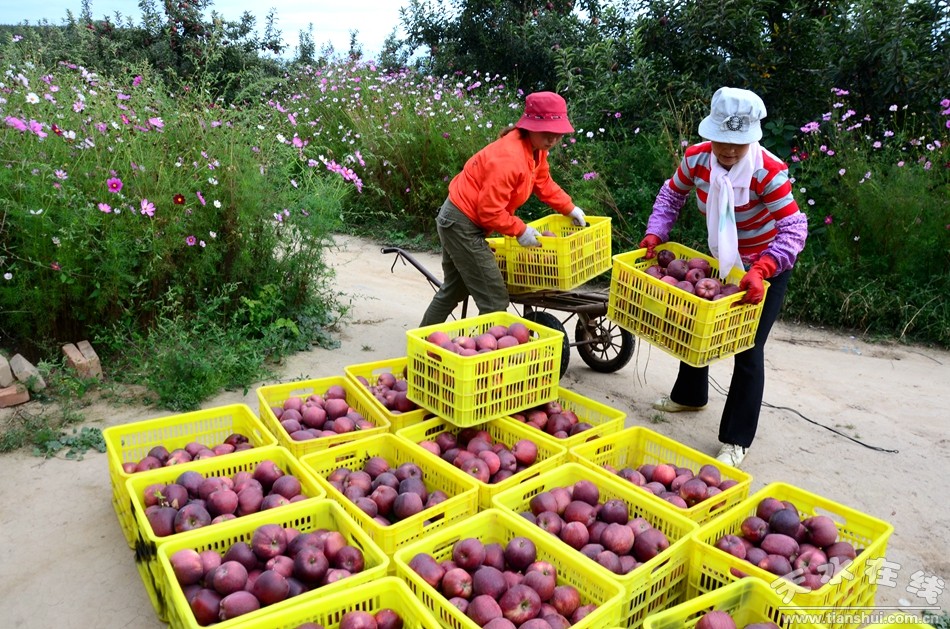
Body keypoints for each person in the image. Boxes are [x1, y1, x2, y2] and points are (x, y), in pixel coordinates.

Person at [639, 86, 808, 467]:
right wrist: (656, 232)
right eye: (722, 141)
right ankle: (689, 396)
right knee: (698, 324)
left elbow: (794, 229)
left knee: (748, 348)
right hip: (724, 260)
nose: (729, 150)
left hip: (766, 266)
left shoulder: (768, 172)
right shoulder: (697, 159)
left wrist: (763, 269)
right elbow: (671, 195)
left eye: (738, 143)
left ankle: (736, 439)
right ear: (710, 133)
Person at [419, 91, 587, 327]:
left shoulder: (536, 150)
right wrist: (520, 230)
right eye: (546, 132)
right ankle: (482, 347)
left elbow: (542, 182)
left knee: (455, 289)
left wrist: (569, 208)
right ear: (530, 127)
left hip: (460, 218)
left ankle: (425, 338)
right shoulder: (509, 157)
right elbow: (489, 210)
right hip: (462, 222)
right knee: (494, 300)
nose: (552, 139)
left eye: (557, 133)